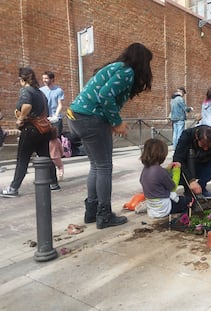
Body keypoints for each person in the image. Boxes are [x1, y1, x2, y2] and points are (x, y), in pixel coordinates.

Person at [67, 42, 153, 229]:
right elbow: (105, 95)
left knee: (96, 166)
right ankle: (104, 215)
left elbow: (102, 95)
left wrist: (110, 120)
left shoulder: (115, 67)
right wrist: (116, 122)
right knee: (104, 166)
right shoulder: (127, 72)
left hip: (77, 116)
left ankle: (92, 211)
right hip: (90, 119)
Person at [1, 67, 60, 197]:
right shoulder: (40, 93)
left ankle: (13, 188)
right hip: (43, 129)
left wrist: (20, 119)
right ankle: (54, 183)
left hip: (30, 129)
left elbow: (27, 106)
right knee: (45, 157)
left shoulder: (26, 90)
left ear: (22, 79)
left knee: (22, 159)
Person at [172, 125, 211, 213]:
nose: (206, 148)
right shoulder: (187, 135)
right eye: (203, 145)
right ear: (197, 138)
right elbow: (177, 159)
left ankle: (200, 188)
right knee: (189, 156)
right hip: (188, 166)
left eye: (209, 146)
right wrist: (191, 180)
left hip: (203, 164)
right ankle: (189, 193)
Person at [140, 138, 193, 218]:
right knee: (187, 200)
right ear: (161, 155)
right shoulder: (160, 171)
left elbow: (157, 179)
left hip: (152, 209)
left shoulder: (145, 169)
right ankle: (183, 219)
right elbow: (173, 187)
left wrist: (168, 169)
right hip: (164, 208)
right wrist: (176, 171)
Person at [40, 71, 64, 136]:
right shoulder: (41, 91)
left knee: (56, 138)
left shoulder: (58, 90)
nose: (44, 80)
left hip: (56, 119)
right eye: (43, 78)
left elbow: (60, 104)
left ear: (52, 79)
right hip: (44, 119)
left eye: (46, 78)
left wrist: (56, 115)